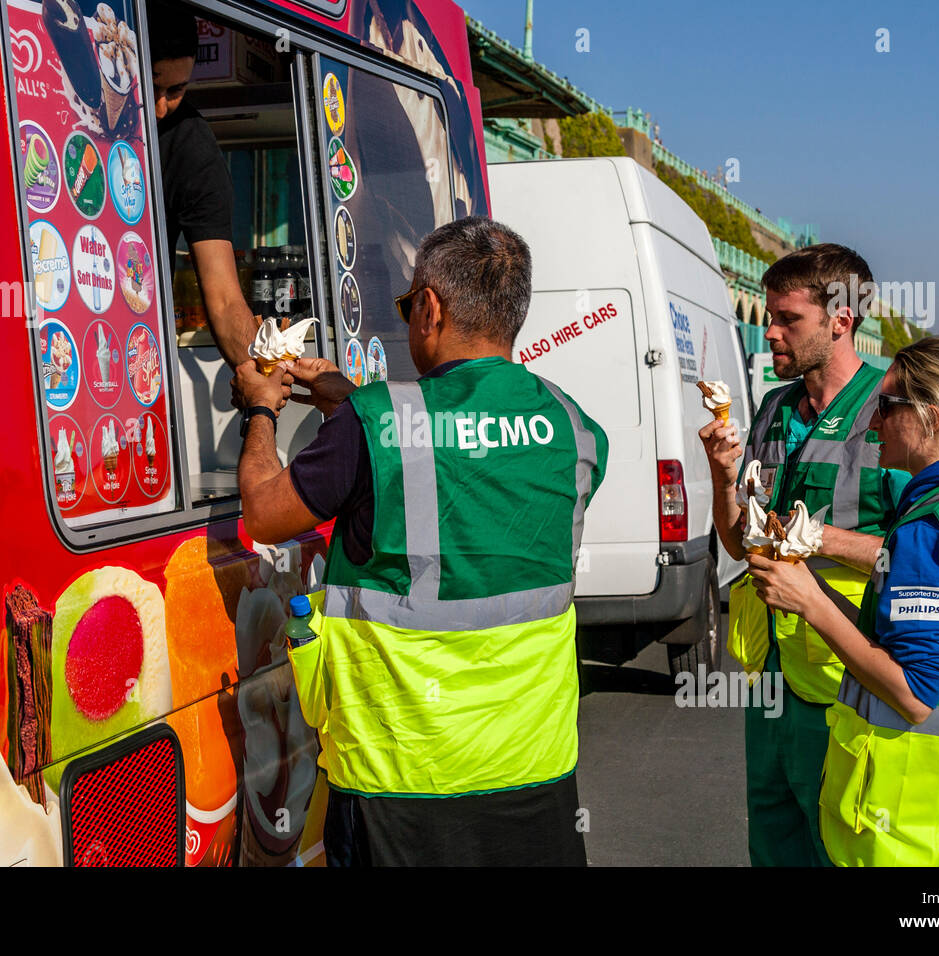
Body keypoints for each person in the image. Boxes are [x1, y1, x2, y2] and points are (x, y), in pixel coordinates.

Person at [229, 217, 608, 866]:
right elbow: (466, 460)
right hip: (536, 778)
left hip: (397, 788)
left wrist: (262, 408)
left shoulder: (372, 424)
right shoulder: (575, 429)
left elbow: (264, 514)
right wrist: (344, 400)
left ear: (429, 308)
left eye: (408, 305)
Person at [746, 336, 939, 865]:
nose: (872, 423)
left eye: (884, 405)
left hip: (905, 821)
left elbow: (913, 692)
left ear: (929, 416)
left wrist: (811, 603)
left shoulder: (931, 526)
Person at [699, 243, 910, 867]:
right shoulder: (771, 409)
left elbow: (922, 558)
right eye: (768, 314)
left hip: (845, 685)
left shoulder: (891, 413)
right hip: (770, 681)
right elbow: (741, 542)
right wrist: (720, 477)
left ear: (841, 320)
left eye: (787, 318)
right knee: (772, 846)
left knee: (836, 850)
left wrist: (816, 539)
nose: (769, 331)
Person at [148, 1, 259, 367]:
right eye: (152, 87)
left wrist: (260, 368)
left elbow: (225, 299)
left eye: (176, 91)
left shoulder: (191, 146)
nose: (161, 108)